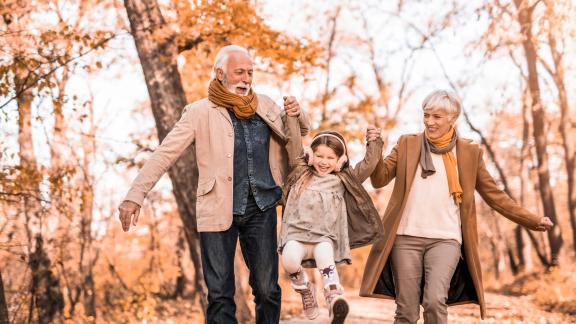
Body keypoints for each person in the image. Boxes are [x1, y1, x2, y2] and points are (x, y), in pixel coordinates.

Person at [117, 45, 310, 324]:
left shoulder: (265, 104)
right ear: (220, 73)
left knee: (268, 291)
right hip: (218, 207)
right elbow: (164, 153)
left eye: (250, 73)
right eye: (239, 72)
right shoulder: (199, 112)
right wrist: (135, 195)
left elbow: (299, 131)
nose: (246, 78)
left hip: (262, 207)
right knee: (219, 295)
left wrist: (298, 113)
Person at [358, 90, 554, 324]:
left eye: (437, 117)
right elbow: (379, 179)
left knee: (434, 301)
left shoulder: (469, 153)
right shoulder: (407, 144)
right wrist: (375, 147)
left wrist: (531, 220)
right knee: (407, 311)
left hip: (446, 239)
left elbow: (495, 196)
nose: (429, 121)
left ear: (452, 118)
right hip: (405, 237)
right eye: (426, 115)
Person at [278, 115, 384, 324]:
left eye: (330, 158)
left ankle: (334, 298)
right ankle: (305, 289)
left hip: (323, 238)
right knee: (289, 260)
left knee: (326, 258)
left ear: (340, 161)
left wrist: (375, 142)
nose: (324, 162)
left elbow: (368, 165)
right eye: (319, 156)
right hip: (296, 236)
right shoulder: (300, 173)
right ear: (310, 155)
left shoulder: (342, 180)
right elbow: (293, 144)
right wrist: (291, 115)